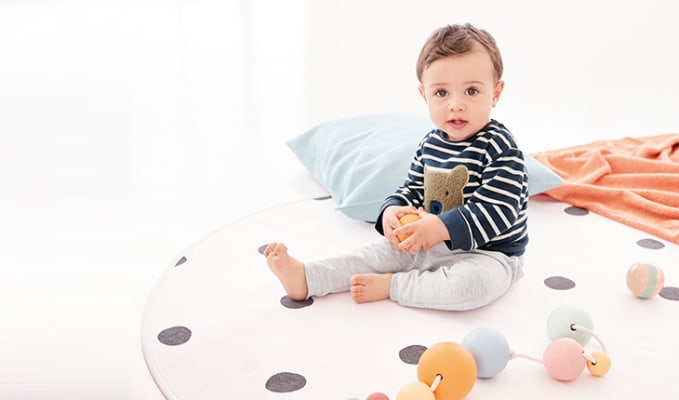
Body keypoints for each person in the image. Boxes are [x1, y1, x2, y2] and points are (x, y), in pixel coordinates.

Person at [264, 23, 528, 311]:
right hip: (430, 242)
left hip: (489, 255)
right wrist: (393, 210)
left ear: (496, 93)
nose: (456, 105)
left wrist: (440, 227)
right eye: (441, 93)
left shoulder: (501, 147)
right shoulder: (431, 144)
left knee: (470, 286)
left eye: (472, 91)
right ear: (424, 95)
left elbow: (497, 210)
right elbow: (413, 189)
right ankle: (308, 277)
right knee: (372, 254)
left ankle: (394, 285)